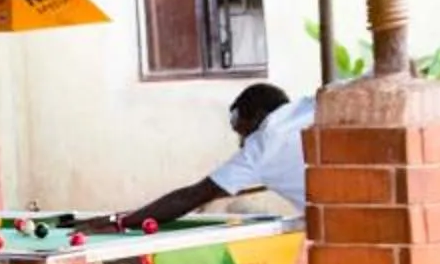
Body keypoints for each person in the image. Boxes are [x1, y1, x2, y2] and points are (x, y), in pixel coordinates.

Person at [106, 81, 314, 229]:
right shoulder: (313, 105)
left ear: (259, 115)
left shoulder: (261, 146)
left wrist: (123, 222)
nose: (242, 144)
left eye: (242, 132)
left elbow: (191, 196)